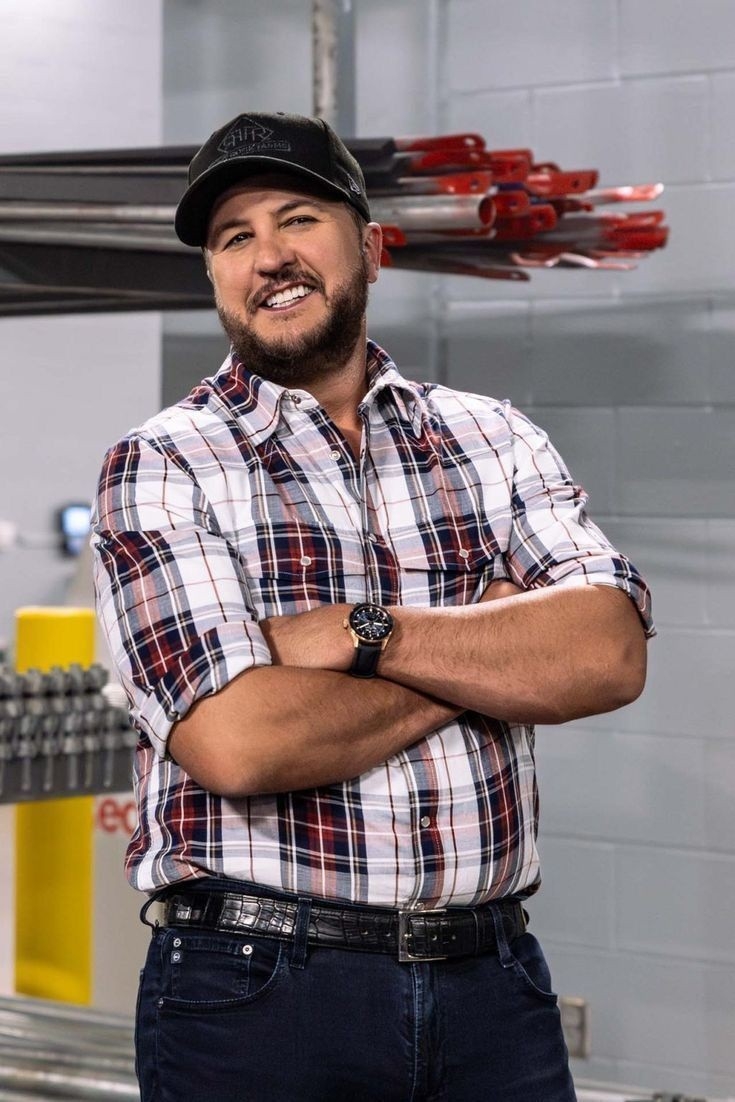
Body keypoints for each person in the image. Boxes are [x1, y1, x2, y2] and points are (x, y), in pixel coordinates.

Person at [92, 111, 653, 1102]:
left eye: (298, 219)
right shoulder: (162, 465)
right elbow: (239, 743)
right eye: (233, 237)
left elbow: (606, 654)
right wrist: (489, 652)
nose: (269, 257)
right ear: (215, 275)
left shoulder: (492, 437)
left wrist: (364, 634)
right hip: (257, 993)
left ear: (373, 248)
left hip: (492, 984)